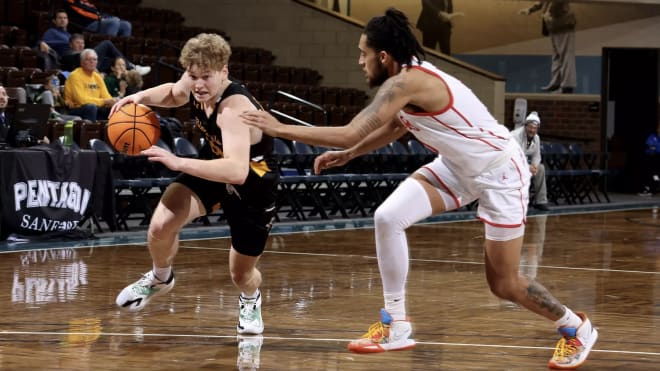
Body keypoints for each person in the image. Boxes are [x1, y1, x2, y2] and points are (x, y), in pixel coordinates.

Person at [241, 8, 597, 369]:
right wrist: (349, 154)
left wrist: (279, 128)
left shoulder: (407, 81)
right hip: (459, 167)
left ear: (383, 57)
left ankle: (576, 327)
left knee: (504, 285)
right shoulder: (404, 82)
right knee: (388, 217)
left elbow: (352, 128)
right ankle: (396, 323)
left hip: (500, 172)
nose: (359, 60)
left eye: (363, 53)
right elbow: (398, 126)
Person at [112, 34, 279, 340]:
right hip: (211, 165)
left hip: (251, 183)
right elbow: (174, 94)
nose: (198, 85)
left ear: (224, 72)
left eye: (206, 77)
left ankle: (251, 299)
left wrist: (178, 162)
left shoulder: (234, 110)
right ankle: (161, 278)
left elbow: (237, 171)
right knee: (160, 226)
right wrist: (139, 97)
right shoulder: (193, 83)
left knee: (241, 275)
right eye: (193, 76)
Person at [38, 10, 149, 75]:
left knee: (109, 60)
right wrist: (41, 43)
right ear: (54, 21)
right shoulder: (51, 31)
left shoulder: (69, 34)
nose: (63, 20)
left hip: (80, 57)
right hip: (70, 59)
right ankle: (131, 67)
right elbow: (40, 42)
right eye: (60, 18)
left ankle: (125, 73)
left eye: (65, 18)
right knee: (106, 44)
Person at [519, 0, 576, 94]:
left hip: (563, 23)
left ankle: (567, 86)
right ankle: (556, 84)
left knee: (566, 55)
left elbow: (557, 3)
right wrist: (531, 9)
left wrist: (548, 12)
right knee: (557, 56)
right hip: (554, 24)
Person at [63, 49, 118, 121]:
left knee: (115, 107)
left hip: (96, 107)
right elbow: (81, 100)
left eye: (94, 59)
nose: (92, 62)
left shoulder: (97, 76)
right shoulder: (75, 75)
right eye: (88, 59)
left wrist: (113, 101)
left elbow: (106, 96)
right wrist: (105, 101)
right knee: (91, 107)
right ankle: (91, 131)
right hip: (76, 109)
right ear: (82, 62)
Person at [511, 111, 550, 211]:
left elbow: (537, 156)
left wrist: (535, 166)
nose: (532, 130)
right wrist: (529, 167)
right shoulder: (515, 136)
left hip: (525, 164)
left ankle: (541, 201)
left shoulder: (536, 138)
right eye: (530, 127)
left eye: (535, 128)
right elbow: (516, 157)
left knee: (541, 168)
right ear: (525, 126)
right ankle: (518, 202)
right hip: (512, 164)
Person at [65, 0, 132, 37]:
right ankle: (109, 51)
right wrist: (99, 18)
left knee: (126, 25)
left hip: (98, 22)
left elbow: (98, 12)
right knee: (113, 23)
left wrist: (107, 17)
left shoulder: (87, 2)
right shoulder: (71, 1)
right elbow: (81, 14)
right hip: (87, 25)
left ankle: (122, 55)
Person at [639, 123, 660, 196]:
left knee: (654, 174)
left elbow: (657, 148)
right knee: (649, 173)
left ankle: (654, 187)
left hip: (657, 158)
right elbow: (649, 146)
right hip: (650, 157)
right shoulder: (652, 136)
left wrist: (655, 148)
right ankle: (648, 189)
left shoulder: (658, 139)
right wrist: (654, 148)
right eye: (658, 128)